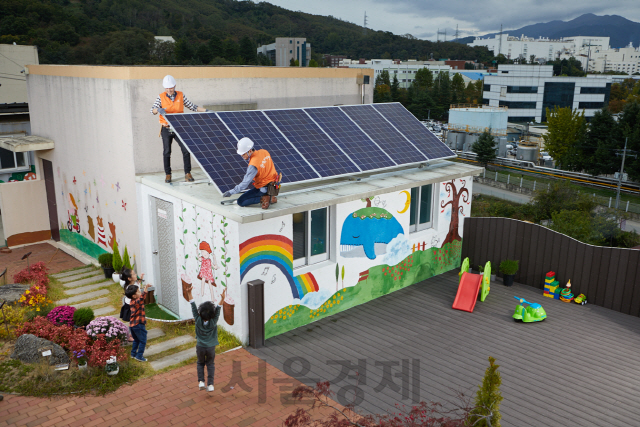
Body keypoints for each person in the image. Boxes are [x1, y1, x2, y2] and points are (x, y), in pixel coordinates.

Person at [151, 75, 207, 183]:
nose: (169, 90)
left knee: (186, 150)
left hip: (179, 128)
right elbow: (151, 110)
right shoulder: (161, 97)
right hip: (166, 128)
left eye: (171, 88)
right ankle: (168, 174)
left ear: (174, 86)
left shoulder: (180, 95)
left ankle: (187, 173)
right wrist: (158, 109)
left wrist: (206, 110)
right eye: (167, 88)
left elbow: (192, 107)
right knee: (167, 151)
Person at [183, 284, 224, 392]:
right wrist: (222, 299)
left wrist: (189, 293)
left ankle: (201, 382)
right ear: (212, 314)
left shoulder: (197, 319)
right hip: (211, 348)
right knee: (210, 364)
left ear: (200, 313)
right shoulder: (213, 322)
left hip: (200, 346)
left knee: (200, 363)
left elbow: (192, 305)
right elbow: (218, 310)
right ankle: (210, 385)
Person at [222, 137, 280, 209]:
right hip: (274, 186)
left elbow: (245, 184)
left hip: (264, 188)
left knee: (241, 201)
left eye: (243, 154)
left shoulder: (253, 165)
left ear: (249, 151)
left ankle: (265, 198)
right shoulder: (264, 151)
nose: (242, 156)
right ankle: (271, 196)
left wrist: (231, 192)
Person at [126, 279, 152, 362]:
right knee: (143, 340)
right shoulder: (137, 301)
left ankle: (133, 354)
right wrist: (145, 288)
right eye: (138, 291)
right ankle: (139, 356)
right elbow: (141, 298)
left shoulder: (132, 301)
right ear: (134, 296)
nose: (139, 292)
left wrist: (144, 287)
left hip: (132, 325)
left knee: (136, 340)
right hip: (138, 325)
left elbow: (141, 298)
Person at [119, 268, 142, 343]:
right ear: (129, 278)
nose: (136, 275)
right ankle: (128, 336)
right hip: (130, 307)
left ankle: (131, 334)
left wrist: (140, 279)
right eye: (134, 274)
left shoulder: (133, 284)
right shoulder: (130, 288)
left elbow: (137, 286)